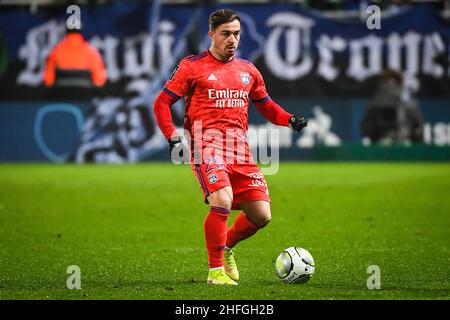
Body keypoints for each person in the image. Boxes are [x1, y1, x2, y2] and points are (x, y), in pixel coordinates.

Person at [153, 9, 307, 285]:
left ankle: (226, 248)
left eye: (236, 34)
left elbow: (267, 107)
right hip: (205, 145)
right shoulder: (192, 66)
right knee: (222, 200)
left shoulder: (248, 70)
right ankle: (215, 273)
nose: (232, 39)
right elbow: (161, 103)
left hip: (240, 151)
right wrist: (172, 136)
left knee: (261, 215)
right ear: (211, 34)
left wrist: (289, 120)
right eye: (225, 34)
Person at [43, 25, 106, 92]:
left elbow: (48, 79)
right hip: (85, 93)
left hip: (62, 93)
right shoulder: (91, 51)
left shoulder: (57, 50)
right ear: (81, 32)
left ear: (66, 31)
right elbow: (99, 79)